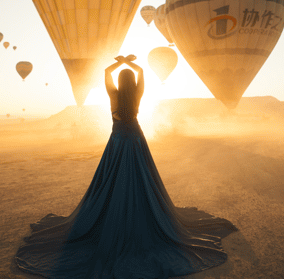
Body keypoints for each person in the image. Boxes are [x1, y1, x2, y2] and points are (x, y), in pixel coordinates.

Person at [15, 55, 237, 278]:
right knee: (142, 178)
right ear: (133, 83)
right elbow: (141, 73)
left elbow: (105, 74)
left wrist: (118, 63)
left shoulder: (113, 94)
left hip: (118, 140)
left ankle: (112, 214)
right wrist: (131, 64)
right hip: (136, 139)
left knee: (111, 180)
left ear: (120, 83)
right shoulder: (137, 95)